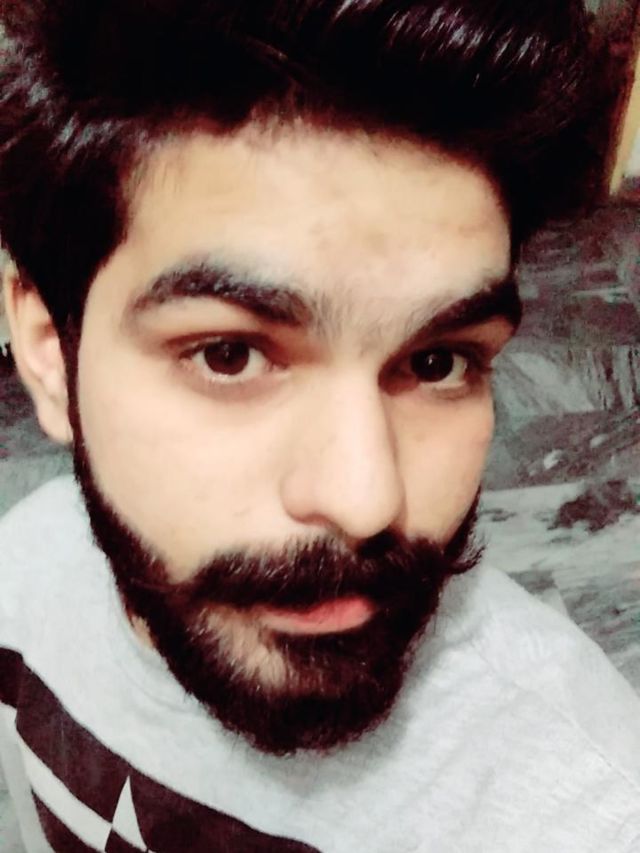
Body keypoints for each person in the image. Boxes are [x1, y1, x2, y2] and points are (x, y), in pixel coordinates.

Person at [1, 1, 639, 850]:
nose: (365, 499)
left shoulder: (586, 810)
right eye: (229, 354)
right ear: (51, 350)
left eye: (437, 361)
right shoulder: (23, 574)